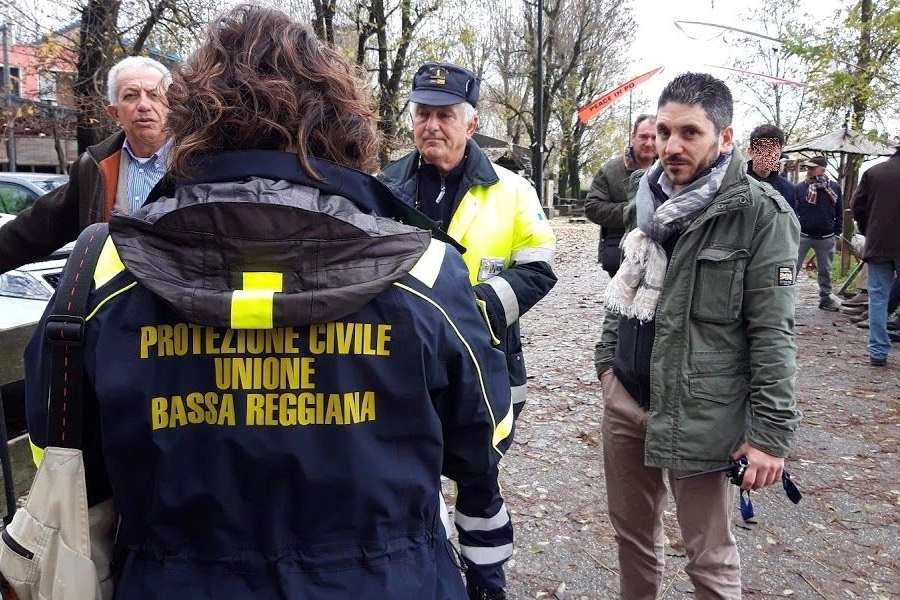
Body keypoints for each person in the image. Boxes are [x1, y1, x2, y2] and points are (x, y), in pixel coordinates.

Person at [18, 5, 514, 598]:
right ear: (341, 122)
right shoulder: (426, 273)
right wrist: (486, 573)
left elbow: (56, 437)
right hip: (384, 579)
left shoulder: (105, 272)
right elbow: (483, 440)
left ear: (193, 119)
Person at [594, 72, 801, 599]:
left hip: (701, 411)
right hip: (627, 400)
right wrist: (607, 366)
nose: (671, 146)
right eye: (664, 131)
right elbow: (627, 290)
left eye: (690, 132)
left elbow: (773, 330)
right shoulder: (648, 200)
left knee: (708, 556)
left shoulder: (760, 214)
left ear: (725, 138)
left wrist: (771, 435)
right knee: (632, 539)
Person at [380, 62, 557, 424]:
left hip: (484, 353)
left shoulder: (514, 190)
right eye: (423, 114)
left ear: (471, 124)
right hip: (401, 356)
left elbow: (537, 270)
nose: (432, 126)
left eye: (445, 115)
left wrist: (475, 310)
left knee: (479, 470)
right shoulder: (381, 188)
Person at [0, 56, 171, 274]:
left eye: (154, 95)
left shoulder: (203, 161)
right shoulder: (94, 167)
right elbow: (37, 229)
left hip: (181, 304)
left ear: (172, 105)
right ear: (115, 113)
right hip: (113, 303)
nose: (144, 105)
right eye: (131, 96)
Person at [584, 114, 657, 276]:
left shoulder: (669, 169)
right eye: (643, 136)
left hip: (659, 254)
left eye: (655, 137)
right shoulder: (610, 170)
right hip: (620, 253)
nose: (649, 143)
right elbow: (592, 208)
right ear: (633, 138)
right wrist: (632, 211)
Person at [851, 142, 900, 366]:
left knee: (878, 298)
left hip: (879, 243)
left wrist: (868, 230)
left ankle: (878, 351)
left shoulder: (874, 172)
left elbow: (857, 207)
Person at [793, 155, 843, 312]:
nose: (808, 170)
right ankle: (783, 299)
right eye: (807, 167)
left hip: (826, 237)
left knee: (825, 271)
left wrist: (837, 232)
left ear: (822, 169)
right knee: (790, 267)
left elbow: (839, 211)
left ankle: (826, 299)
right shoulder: (800, 188)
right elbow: (793, 210)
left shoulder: (834, 188)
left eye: (812, 167)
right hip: (803, 235)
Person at [745, 123, 795, 205]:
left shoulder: (788, 188)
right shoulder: (735, 183)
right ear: (751, 151)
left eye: (775, 149)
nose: (770, 154)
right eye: (764, 149)